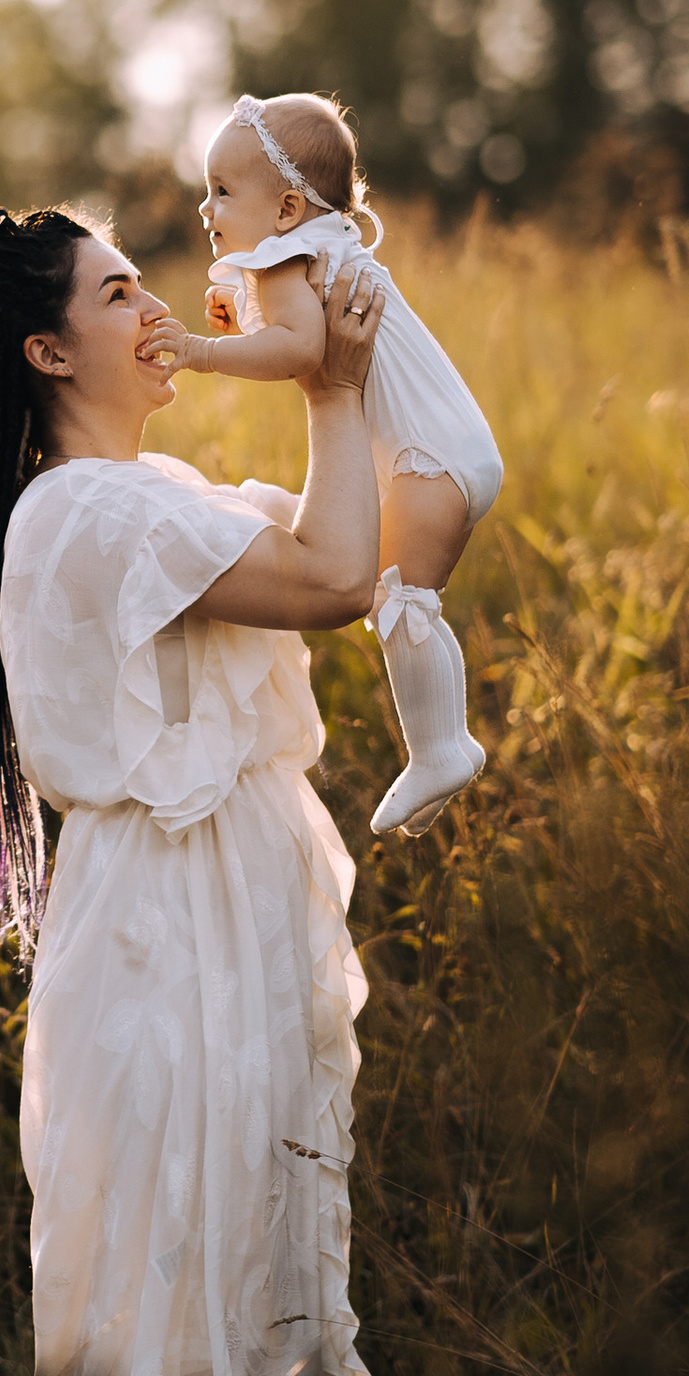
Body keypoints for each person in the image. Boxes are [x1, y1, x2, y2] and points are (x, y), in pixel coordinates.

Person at [0, 189, 385, 1376]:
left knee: (217, 1264)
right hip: (168, 930)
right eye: (122, 295)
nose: (157, 308)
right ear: (53, 350)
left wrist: (352, 373)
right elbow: (331, 581)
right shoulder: (98, 513)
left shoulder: (139, 493)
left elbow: (361, 548)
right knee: (178, 1276)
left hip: (193, 909)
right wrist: (332, 384)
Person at [156, 92, 502, 838]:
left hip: (423, 460)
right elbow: (292, 326)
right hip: (451, 448)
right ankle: (440, 744)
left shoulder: (284, 255)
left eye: (221, 190)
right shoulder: (324, 244)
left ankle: (440, 746)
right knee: (397, 592)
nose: (204, 208)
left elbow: (300, 350)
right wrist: (243, 316)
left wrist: (202, 352)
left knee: (397, 597)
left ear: (285, 209)